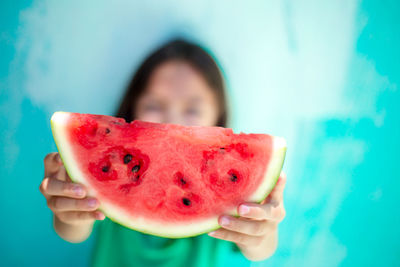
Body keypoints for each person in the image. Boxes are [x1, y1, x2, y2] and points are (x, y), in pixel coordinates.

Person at [39, 39, 287, 266]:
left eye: (192, 110)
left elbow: (260, 251)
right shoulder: (115, 171)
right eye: (154, 105)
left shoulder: (225, 194)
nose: (172, 122)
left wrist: (262, 232)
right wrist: (70, 212)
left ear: (218, 119)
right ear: (131, 107)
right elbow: (74, 232)